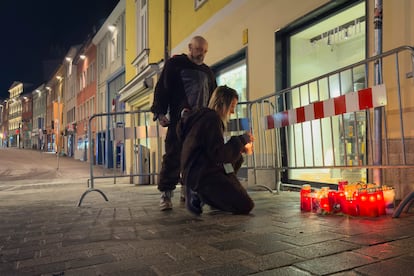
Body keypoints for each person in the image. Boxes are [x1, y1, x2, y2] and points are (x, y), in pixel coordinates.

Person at [151, 35, 217, 211]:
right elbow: (162, 88)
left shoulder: (208, 73)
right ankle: (165, 195)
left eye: (204, 51)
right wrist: (159, 112)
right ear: (190, 47)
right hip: (179, 122)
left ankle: (188, 190)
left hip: (200, 123)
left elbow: (213, 98)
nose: (201, 54)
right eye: (198, 50)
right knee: (173, 156)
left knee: (196, 158)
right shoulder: (175, 65)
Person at [177, 85, 255, 215]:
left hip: (195, 170)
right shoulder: (212, 119)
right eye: (232, 106)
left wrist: (239, 148)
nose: (232, 112)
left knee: (237, 159)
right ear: (223, 104)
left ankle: (213, 195)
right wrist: (242, 140)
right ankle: (200, 194)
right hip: (202, 174)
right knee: (246, 205)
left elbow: (211, 150)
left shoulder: (204, 117)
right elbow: (219, 155)